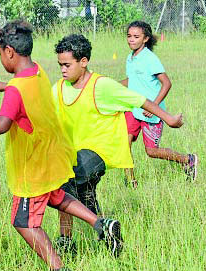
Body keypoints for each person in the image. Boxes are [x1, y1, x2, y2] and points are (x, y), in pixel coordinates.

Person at [0, 20, 123, 271]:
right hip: (52, 155)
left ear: (9, 52)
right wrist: (4, 86)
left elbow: (2, 124)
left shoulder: (16, 88)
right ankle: (102, 224)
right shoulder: (37, 71)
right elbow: (28, 94)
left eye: (0, 53)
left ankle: (58, 268)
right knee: (55, 196)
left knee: (23, 222)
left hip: (31, 166)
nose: (1, 58)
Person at [50, 34, 184, 253]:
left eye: (67, 65)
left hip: (101, 152)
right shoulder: (59, 87)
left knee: (65, 183)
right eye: (60, 65)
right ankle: (107, 232)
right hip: (75, 153)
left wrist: (168, 118)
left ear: (83, 62)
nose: (63, 70)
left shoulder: (102, 86)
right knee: (83, 196)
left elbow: (138, 100)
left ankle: (66, 240)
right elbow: (39, 103)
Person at [121, 21, 198, 185]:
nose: (131, 40)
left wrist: (154, 106)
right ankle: (130, 181)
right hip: (133, 108)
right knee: (124, 144)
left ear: (145, 39)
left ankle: (188, 160)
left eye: (136, 37)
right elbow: (133, 80)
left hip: (151, 112)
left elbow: (167, 83)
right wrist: (113, 86)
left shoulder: (150, 58)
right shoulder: (130, 58)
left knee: (151, 151)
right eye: (129, 36)